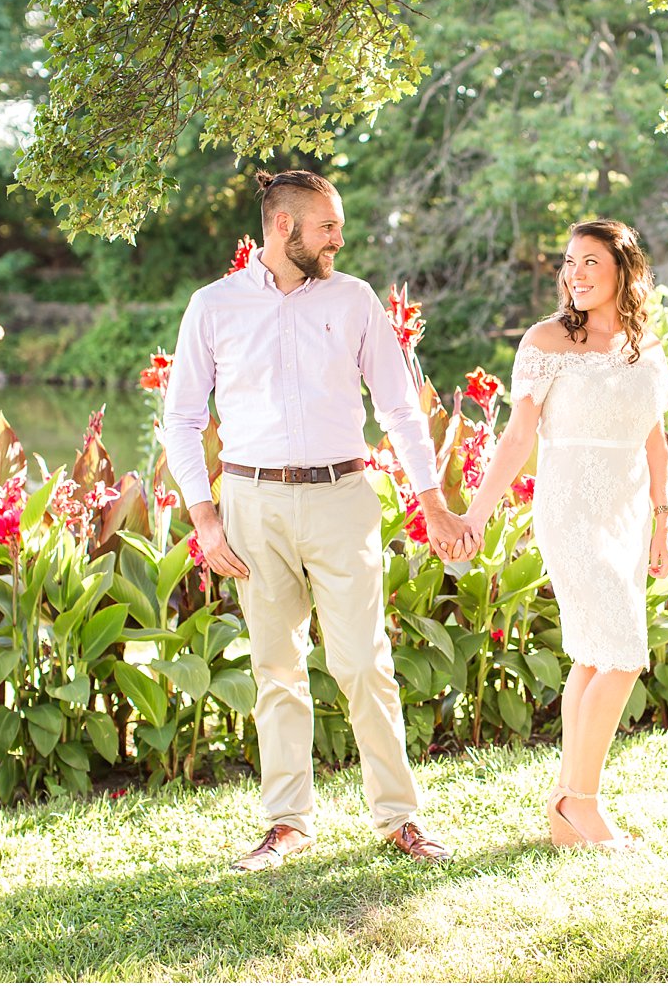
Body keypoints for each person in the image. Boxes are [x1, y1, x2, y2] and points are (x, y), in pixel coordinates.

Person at [161, 168, 478, 870]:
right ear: (284, 228)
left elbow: (398, 406)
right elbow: (181, 418)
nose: (339, 238)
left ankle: (399, 819)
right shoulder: (213, 306)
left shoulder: (356, 299)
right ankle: (288, 825)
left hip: (342, 498)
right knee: (277, 668)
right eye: (327, 226)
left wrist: (430, 501)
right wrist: (205, 518)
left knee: (365, 663)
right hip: (251, 504)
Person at [461, 219, 668, 850]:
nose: (576, 275)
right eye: (570, 262)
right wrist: (476, 514)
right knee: (624, 653)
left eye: (591, 264)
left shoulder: (644, 345)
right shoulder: (545, 339)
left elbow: (655, 438)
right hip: (570, 510)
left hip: (628, 512)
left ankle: (566, 810)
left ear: (623, 272)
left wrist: (663, 520)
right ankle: (581, 802)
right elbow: (518, 437)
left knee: (594, 653)